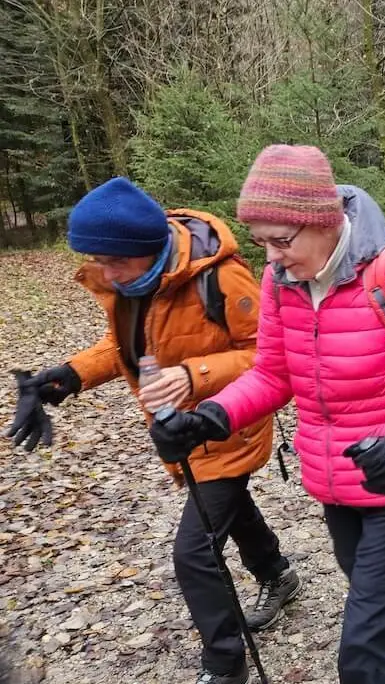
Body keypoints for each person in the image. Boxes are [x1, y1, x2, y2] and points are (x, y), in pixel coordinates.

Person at [148, 145, 385, 684]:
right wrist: (210, 417)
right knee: (368, 577)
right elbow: (272, 374)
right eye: (262, 243)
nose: (273, 256)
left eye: (282, 241)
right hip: (333, 471)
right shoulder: (281, 281)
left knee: (366, 645)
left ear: (323, 222)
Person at [6, 177, 298, 684]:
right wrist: (68, 377)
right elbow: (127, 345)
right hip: (176, 429)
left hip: (228, 424)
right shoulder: (130, 284)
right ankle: (277, 573)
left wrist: (195, 376)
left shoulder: (221, 279)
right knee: (229, 509)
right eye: (97, 260)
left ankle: (225, 665)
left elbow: (270, 356)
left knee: (193, 552)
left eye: (114, 260)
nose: (105, 271)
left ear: (150, 248)